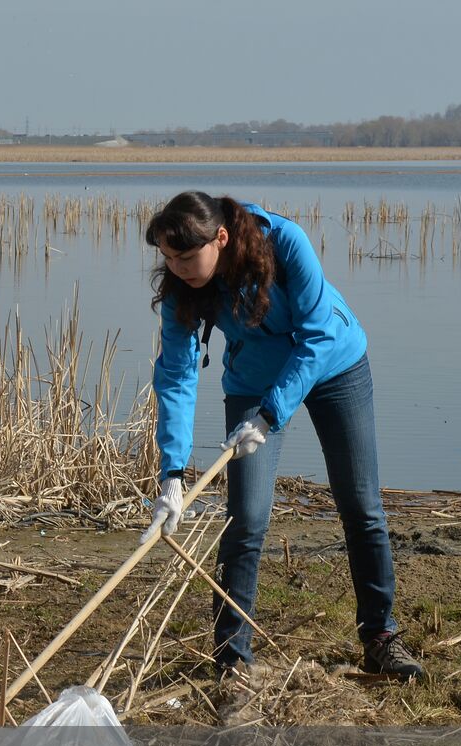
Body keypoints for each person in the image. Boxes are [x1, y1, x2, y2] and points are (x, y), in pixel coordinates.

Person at [142, 191, 421, 683]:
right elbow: (177, 376)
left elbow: (317, 335)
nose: (177, 267)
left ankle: (381, 639)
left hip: (335, 366)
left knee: (361, 506)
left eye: (185, 257)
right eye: (167, 257)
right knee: (245, 519)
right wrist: (172, 475)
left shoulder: (285, 242)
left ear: (220, 238)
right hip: (253, 381)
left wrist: (272, 415)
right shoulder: (182, 290)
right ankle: (232, 659)